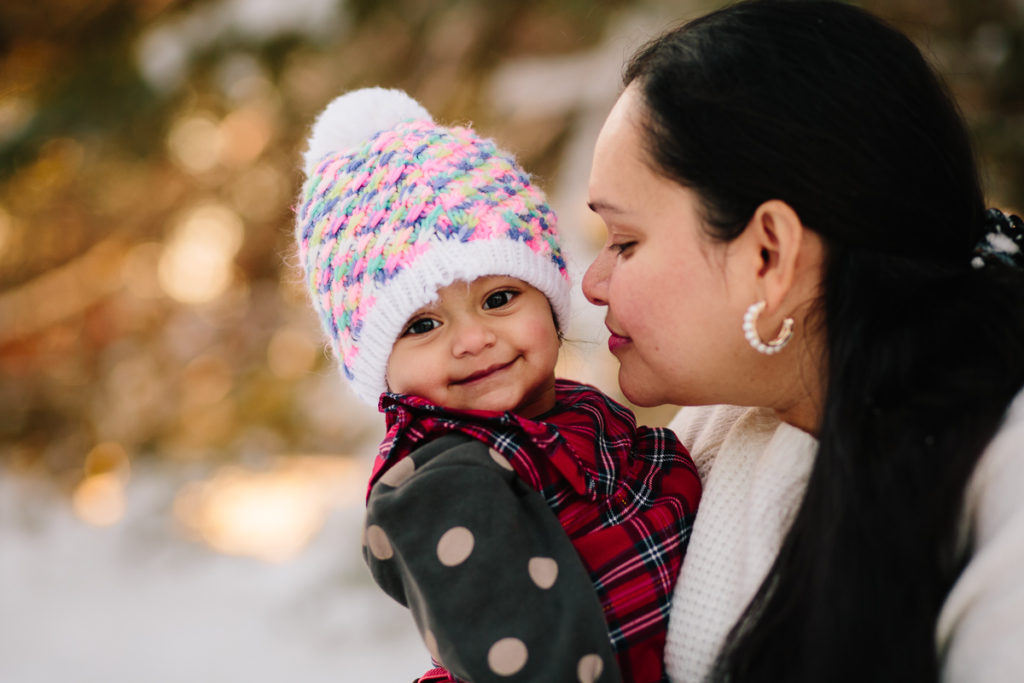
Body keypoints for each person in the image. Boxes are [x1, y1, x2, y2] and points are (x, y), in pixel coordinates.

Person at [581, 1, 1024, 681]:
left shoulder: (1002, 482)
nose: (592, 282)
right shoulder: (723, 426)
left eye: (624, 241)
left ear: (769, 254)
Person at [294, 87, 702, 683]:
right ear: (381, 365)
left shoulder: (578, 415)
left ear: (549, 296)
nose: (473, 339)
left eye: (500, 298)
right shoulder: (445, 482)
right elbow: (526, 662)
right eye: (423, 325)